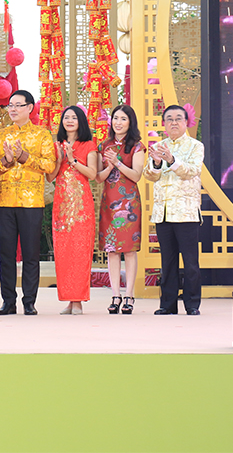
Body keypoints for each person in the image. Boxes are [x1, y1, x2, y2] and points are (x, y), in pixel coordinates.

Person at [0, 90, 57, 316]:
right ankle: (8, 301)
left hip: (32, 202)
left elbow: (50, 166)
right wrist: (7, 160)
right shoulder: (0, 135)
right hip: (5, 201)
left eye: (18, 105)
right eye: (10, 105)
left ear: (30, 108)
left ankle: (29, 301)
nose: (13, 109)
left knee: (31, 254)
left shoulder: (42, 135)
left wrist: (25, 157)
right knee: (6, 255)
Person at [143, 104, 205, 316]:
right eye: (169, 119)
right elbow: (149, 175)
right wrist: (156, 163)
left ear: (186, 122)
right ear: (164, 124)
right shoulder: (158, 146)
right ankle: (167, 304)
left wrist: (171, 160)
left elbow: (192, 171)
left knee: (190, 262)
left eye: (178, 118)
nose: (174, 122)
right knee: (167, 262)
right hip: (163, 212)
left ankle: (192, 304)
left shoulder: (195, 146)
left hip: (186, 212)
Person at [46, 106, 98, 315]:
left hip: (81, 208)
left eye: (73, 117)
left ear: (81, 121)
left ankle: (78, 301)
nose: (69, 121)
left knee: (80, 252)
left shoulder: (88, 145)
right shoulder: (56, 145)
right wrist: (60, 159)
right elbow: (50, 177)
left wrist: (73, 160)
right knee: (63, 253)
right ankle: (69, 300)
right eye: (66, 117)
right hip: (61, 206)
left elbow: (92, 174)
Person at [96, 105, 145, 315]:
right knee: (112, 250)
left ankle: (129, 295)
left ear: (130, 122)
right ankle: (115, 295)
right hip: (109, 201)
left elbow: (136, 175)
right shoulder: (104, 145)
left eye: (123, 119)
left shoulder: (137, 146)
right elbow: (98, 177)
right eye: (115, 118)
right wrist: (109, 166)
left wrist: (117, 162)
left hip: (129, 202)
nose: (118, 122)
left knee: (130, 250)